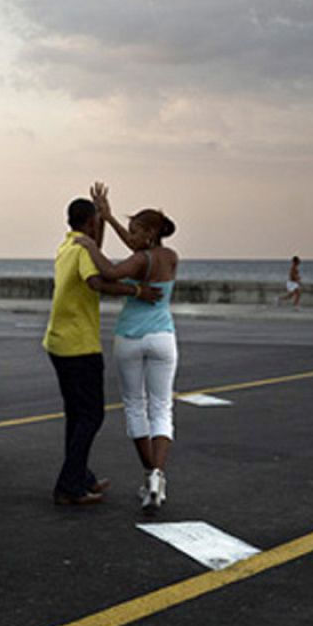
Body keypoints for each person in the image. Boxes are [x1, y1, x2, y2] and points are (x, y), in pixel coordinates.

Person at [42, 194, 162, 506]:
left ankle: (80, 476)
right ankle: (70, 485)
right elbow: (98, 281)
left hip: (58, 342)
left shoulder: (68, 245)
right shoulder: (83, 250)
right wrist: (136, 290)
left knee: (76, 415)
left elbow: (96, 253)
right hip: (78, 345)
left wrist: (103, 218)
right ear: (92, 223)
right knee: (91, 416)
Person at [73, 184, 179, 514]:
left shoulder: (139, 260)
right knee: (162, 408)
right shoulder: (170, 257)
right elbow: (137, 250)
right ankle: (157, 476)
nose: (129, 236)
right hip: (163, 337)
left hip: (130, 339)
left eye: (135, 231)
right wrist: (108, 217)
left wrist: (90, 244)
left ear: (149, 234)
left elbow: (109, 272)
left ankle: (150, 474)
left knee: (135, 406)